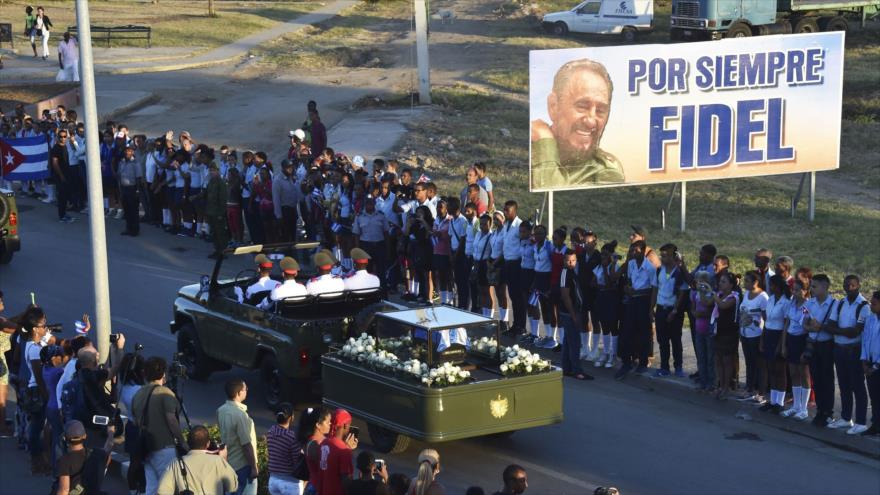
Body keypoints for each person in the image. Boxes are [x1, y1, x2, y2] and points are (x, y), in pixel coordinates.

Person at [530, 58, 624, 189]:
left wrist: (545, 148)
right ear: (553, 106)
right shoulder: (529, 146)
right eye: (582, 106)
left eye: (600, 110)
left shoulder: (605, 172)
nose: (591, 121)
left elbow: (558, 198)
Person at [132, 356, 189, 495]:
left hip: (146, 448)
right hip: (164, 447)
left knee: (151, 488)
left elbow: (136, 421)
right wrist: (182, 442)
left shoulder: (138, 394)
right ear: (164, 374)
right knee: (168, 488)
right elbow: (171, 419)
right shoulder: (165, 393)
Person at [828, 275, 870, 434]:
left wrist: (838, 331)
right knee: (844, 385)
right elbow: (830, 325)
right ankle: (846, 418)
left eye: (851, 285)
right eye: (846, 285)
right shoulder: (840, 303)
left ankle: (861, 421)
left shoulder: (864, 306)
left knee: (857, 385)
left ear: (858, 285)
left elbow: (855, 332)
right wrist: (842, 332)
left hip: (854, 350)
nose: (848, 288)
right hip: (839, 349)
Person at [157, 424, 238, 495]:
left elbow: (162, 491)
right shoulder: (218, 461)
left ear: (188, 443)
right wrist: (223, 459)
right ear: (208, 444)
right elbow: (233, 486)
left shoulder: (176, 463)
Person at [616, 240, 654, 379]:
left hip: (643, 300)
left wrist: (650, 307)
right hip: (632, 300)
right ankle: (627, 361)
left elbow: (653, 288)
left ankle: (642, 361)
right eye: (632, 251)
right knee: (627, 330)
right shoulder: (631, 264)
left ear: (643, 251)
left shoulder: (649, 268)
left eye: (636, 251)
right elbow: (629, 280)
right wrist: (627, 287)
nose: (633, 253)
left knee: (643, 332)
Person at [803, 274, 837, 427]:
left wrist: (819, 327)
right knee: (815, 377)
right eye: (811, 286)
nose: (812, 289)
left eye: (815, 286)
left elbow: (832, 326)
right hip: (812, 343)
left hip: (826, 344)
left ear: (825, 287)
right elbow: (805, 323)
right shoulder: (810, 303)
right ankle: (820, 409)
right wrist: (811, 327)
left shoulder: (834, 304)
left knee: (827, 378)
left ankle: (828, 411)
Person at [651, 244, 687, 378]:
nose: (662, 258)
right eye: (662, 255)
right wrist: (651, 308)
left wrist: (675, 311)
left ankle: (678, 366)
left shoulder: (678, 272)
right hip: (661, 308)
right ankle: (664, 367)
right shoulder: (659, 270)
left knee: (676, 339)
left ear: (673, 256)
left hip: (673, 310)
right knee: (662, 340)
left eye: (665, 255)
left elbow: (682, 293)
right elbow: (655, 289)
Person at [218, 379, 259, 495]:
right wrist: (253, 467)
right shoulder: (240, 415)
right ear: (238, 393)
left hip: (229, 463)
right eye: (245, 389)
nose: (247, 391)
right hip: (243, 466)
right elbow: (246, 444)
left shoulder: (221, 410)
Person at [54, 420, 115, 495]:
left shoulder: (64, 461)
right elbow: (108, 449)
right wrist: (110, 432)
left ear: (65, 438)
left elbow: (64, 490)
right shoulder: (97, 454)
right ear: (85, 436)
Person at [781, 278, 812, 420]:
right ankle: (796, 406)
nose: (794, 292)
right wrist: (783, 344)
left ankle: (803, 409)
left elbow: (808, 327)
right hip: (791, 339)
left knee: (803, 373)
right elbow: (786, 324)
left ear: (805, 291)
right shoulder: (791, 303)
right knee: (793, 373)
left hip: (802, 340)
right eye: (793, 289)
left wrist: (806, 349)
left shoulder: (808, 305)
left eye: (797, 290)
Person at [759, 275, 790, 414]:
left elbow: (785, 324)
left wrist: (780, 345)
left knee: (780, 370)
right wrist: (762, 339)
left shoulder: (786, 302)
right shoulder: (770, 300)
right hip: (768, 334)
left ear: (778, 286)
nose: (770, 288)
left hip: (779, 335)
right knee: (770, 368)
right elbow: (767, 321)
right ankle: (772, 400)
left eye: (771, 285)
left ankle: (780, 401)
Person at [558, 250, 592, 380]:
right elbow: (565, 296)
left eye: (573, 260)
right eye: (568, 260)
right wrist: (573, 315)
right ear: (564, 261)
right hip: (569, 313)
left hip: (573, 311)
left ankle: (567, 368)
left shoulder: (572, 272)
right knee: (575, 343)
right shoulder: (565, 273)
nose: (571, 263)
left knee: (568, 341)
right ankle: (577, 371)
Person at [738, 271, 769, 402]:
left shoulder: (763, 297)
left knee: (760, 364)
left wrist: (763, 337)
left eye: (747, 281)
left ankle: (761, 392)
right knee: (749, 363)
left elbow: (766, 319)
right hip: (745, 334)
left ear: (755, 282)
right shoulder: (747, 294)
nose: (744, 284)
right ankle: (749, 388)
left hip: (757, 335)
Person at [712, 272, 741, 400]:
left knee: (727, 360)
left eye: (723, 282)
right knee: (718, 359)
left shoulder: (734, 297)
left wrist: (714, 296)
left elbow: (723, 305)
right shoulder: (719, 295)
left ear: (731, 285)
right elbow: (708, 301)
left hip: (729, 332)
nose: (720, 284)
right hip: (719, 330)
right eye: (720, 281)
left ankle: (726, 386)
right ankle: (720, 384)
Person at [266, 403, 304, 495]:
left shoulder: (270, 432)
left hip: (273, 481)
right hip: (289, 482)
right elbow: (297, 461)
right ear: (291, 418)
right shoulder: (291, 437)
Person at [318, 408, 359, 495]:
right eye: (349, 425)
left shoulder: (323, 443)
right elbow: (346, 481)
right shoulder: (343, 451)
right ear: (345, 426)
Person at [501, 201, 525, 335]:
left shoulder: (519, 225)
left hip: (516, 263)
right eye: (504, 210)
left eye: (507, 210)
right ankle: (515, 325)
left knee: (518, 297)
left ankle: (520, 326)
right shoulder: (506, 225)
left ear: (514, 211)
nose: (505, 213)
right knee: (512, 295)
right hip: (507, 263)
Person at [353, 197, 389, 285]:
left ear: (374, 204)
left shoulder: (381, 215)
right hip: (365, 246)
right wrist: (358, 250)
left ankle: (383, 291)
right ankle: (369, 291)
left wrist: (388, 248)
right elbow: (356, 234)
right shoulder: (359, 216)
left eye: (371, 203)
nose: (369, 205)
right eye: (368, 203)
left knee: (381, 271)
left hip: (379, 245)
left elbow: (386, 232)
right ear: (365, 205)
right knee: (367, 271)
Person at [860, 291, 880, 436]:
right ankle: (875, 424)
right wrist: (865, 361)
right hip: (870, 362)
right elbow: (865, 340)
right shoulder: (870, 319)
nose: (871, 306)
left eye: (874, 304)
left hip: (878, 365)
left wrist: (876, 366)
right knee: (874, 396)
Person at [301, 407, 332, 495]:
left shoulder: (321, 441)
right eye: (327, 421)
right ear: (318, 424)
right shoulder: (314, 444)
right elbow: (325, 466)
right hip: (315, 488)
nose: (330, 423)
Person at [118, 143, 144, 236]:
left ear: (133, 152)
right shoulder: (121, 162)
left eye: (129, 151)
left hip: (132, 188)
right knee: (127, 210)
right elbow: (120, 176)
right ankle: (128, 228)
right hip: (124, 188)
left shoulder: (135, 163)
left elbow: (138, 178)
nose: (127, 152)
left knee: (133, 210)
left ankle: (135, 230)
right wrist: (120, 189)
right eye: (126, 150)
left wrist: (137, 190)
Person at [204, 162, 229, 259]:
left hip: (218, 212)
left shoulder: (221, 183)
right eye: (210, 170)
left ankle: (222, 252)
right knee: (214, 232)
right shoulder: (211, 181)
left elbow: (223, 199)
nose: (211, 172)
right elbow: (207, 193)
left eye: (213, 170)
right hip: (211, 211)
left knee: (220, 233)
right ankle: (217, 250)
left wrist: (221, 213)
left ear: (218, 171)